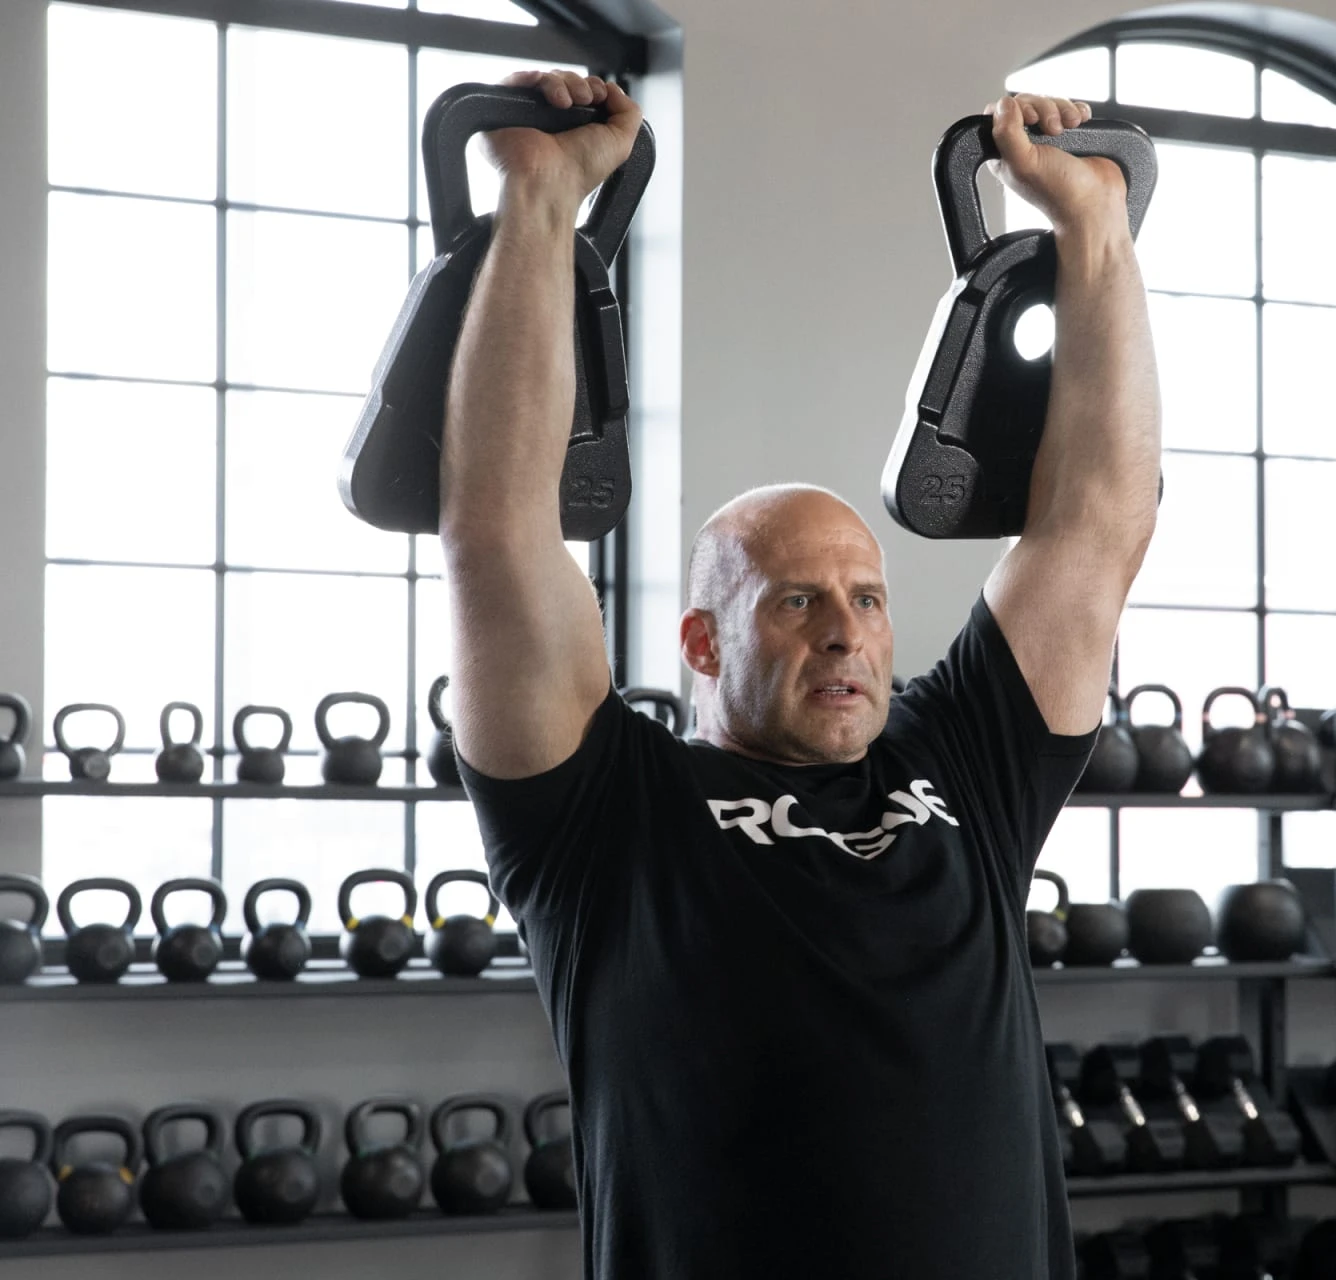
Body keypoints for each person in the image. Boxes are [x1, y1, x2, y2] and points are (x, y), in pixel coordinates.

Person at [441, 68, 1160, 1280]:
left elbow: (1097, 525)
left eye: (866, 598)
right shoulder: (603, 815)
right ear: (702, 643)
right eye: (794, 600)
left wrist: (1093, 228)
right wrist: (539, 204)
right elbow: (498, 532)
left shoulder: (963, 763)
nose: (844, 632)